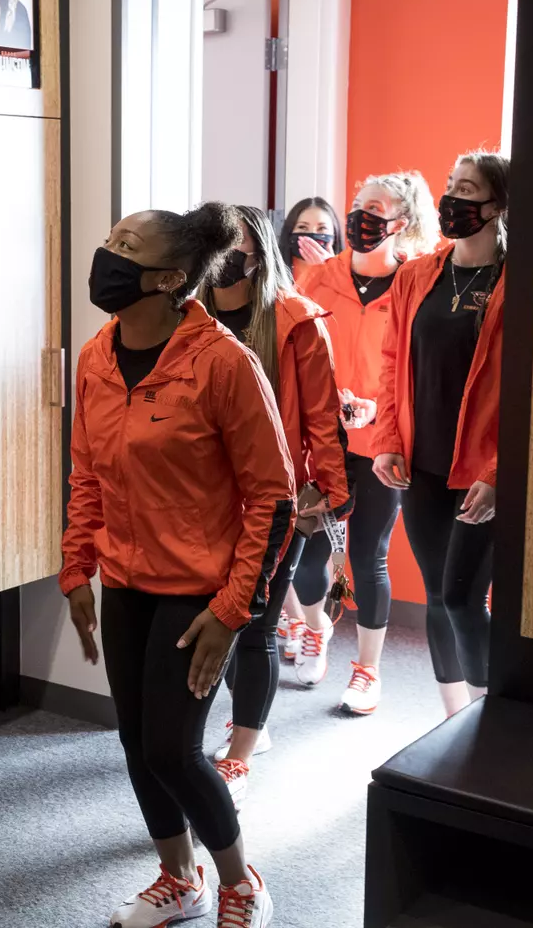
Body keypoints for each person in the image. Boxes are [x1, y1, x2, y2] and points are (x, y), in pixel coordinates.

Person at [63, 203, 292, 928]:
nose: (108, 253)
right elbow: (86, 474)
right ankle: (178, 877)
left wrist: (234, 610)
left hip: (198, 591)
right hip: (127, 581)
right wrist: (77, 570)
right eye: (110, 239)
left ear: (167, 277)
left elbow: (273, 498)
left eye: (126, 245)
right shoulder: (98, 356)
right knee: (137, 742)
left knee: (174, 747)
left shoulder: (224, 363)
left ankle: (239, 880)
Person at [200, 206, 349, 804]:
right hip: (205, 498)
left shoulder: (294, 321)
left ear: (258, 252)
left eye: (231, 246)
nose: (220, 257)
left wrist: (331, 494)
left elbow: (321, 415)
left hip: (275, 496)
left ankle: (242, 748)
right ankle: (245, 722)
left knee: (258, 622)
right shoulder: (190, 316)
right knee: (224, 619)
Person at [287, 173, 440, 709]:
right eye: (356, 207)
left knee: (368, 556)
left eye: (374, 209)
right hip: (320, 444)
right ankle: (315, 627)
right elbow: (294, 351)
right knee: (302, 553)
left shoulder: (415, 284)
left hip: (381, 443)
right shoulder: (317, 278)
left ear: (404, 222)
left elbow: (418, 368)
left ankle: (367, 671)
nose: (359, 218)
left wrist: (379, 407)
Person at [371, 152, 507, 718]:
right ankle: (454, 719)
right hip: (420, 462)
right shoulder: (417, 275)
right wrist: (386, 440)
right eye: (451, 186)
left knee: (462, 599)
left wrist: (501, 474)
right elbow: (390, 360)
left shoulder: (521, 279)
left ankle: (493, 712)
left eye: (468, 190)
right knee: (436, 594)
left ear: (496, 205)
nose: (453, 199)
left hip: (482, 469)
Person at [278, 196, 343, 272]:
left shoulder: (347, 273)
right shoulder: (273, 271)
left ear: (335, 235)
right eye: (302, 227)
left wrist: (332, 272)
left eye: (322, 228)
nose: (312, 235)